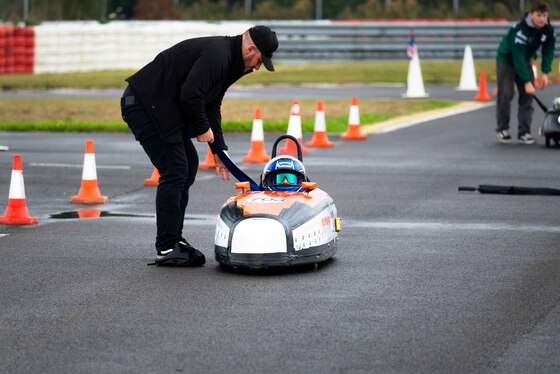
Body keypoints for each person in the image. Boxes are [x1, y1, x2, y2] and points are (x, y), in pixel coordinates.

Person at [121, 26, 278, 267]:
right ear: (250, 49)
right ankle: (166, 247)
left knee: (188, 164)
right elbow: (191, 95)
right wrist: (204, 130)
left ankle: (174, 238)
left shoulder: (232, 62)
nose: (258, 67)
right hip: (144, 106)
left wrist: (219, 149)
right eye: (260, 60)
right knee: (175, 169)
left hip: (160, 109)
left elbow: (212, 104)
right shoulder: (218, 56)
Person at [495, 1, 555, 145]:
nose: (542, 19)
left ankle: (524, 132)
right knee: (507, 93)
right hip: (507, 60)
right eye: (538, 15)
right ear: (531, 15)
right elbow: (518, 58)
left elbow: (548, 51)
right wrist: (527, 82)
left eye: (544, 15)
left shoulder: (547, 30)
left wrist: (545, 73)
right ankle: (502, 128)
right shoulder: (520, 31)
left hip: (525, 59)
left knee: (528, 96)